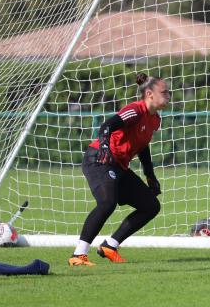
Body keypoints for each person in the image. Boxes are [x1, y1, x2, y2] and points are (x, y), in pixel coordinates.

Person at [69, 72, 170, 266]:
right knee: (107, 203)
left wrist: (150, 176)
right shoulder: (135, 110)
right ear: (149, 94)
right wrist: (105, 148)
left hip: (118, 165)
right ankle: (78, 254)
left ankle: (110, 246)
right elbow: (106, 126)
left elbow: (143, 147)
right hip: (99, 159)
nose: (168, 96)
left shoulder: (155, 119)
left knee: (151, 206)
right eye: (164, 92)